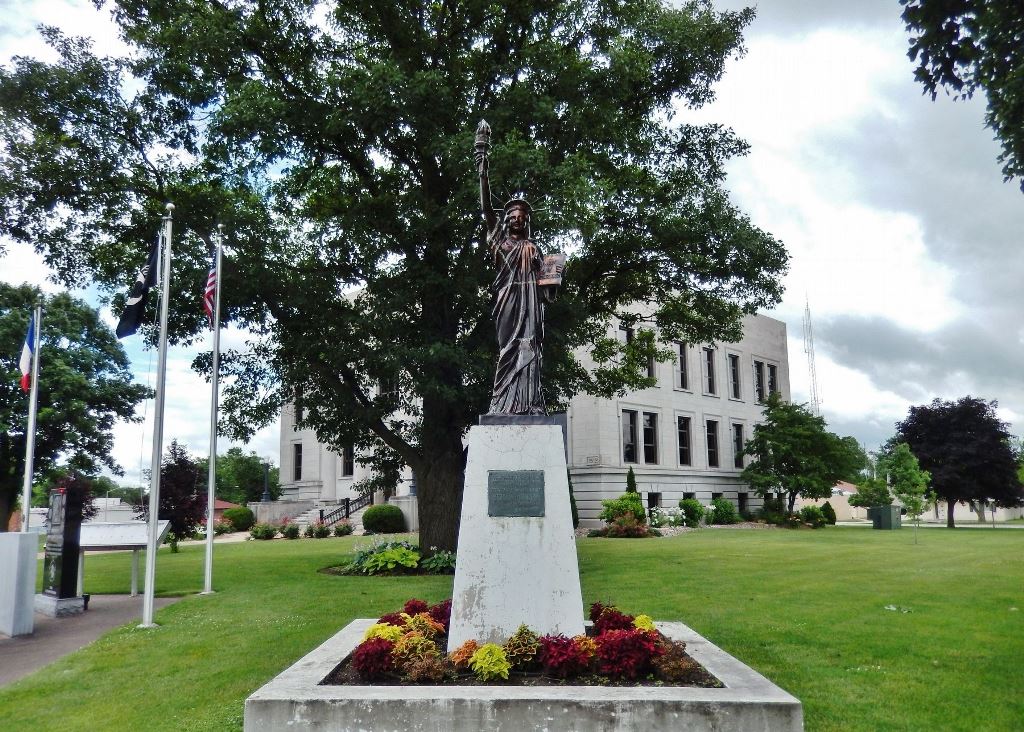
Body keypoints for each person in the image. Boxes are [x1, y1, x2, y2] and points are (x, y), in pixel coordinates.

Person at [475, 120, 553, 415]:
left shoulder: (533, 248)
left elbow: (547, 287)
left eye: (522, 216)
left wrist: (551, 279)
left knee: (530, 346)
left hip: (531, 304)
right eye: (513, 215)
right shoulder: (499, 241)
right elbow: (485, 208)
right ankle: (502, 402)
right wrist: (482, 165)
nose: (518, 219)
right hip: (508, 300)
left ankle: (529, 403)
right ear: (506, 219)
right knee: (508, 348)